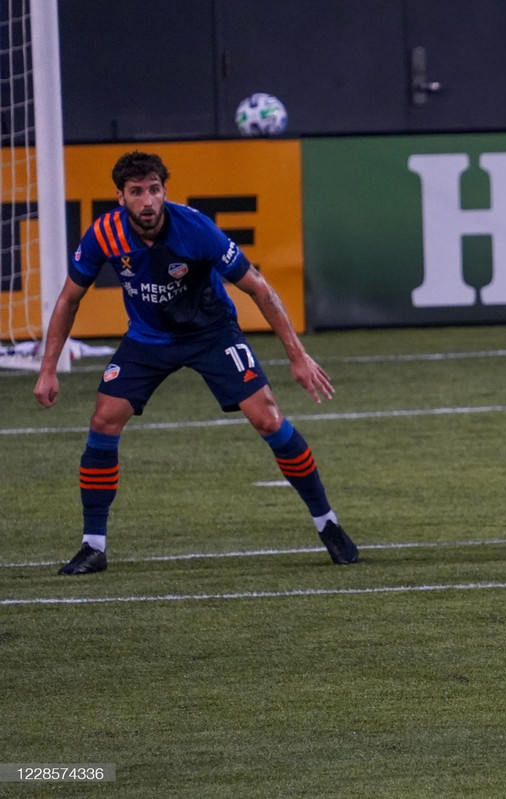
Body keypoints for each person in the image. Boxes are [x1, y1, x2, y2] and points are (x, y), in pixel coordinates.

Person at [33, 151, 357, 575]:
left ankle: (327, 523)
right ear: (120, 197)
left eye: (154, 190)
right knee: (103, 420)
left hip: (212, 334)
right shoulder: (103, 235)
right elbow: (68, 300)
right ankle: (93, 546)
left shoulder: (196, 229)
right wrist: (47, 367)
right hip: (148, 339)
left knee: (268, 419)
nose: (147, 201)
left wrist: (297, 356)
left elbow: (259, 289)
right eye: (136, 192)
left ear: (165, 191)